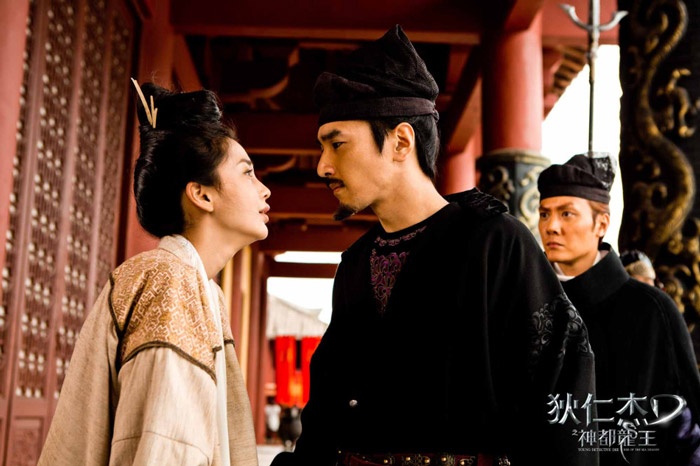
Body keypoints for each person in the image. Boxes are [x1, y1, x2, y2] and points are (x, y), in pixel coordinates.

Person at [272, 25, 597, 466]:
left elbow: (562, 388)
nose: (324, 166)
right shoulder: (356, 262)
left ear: (401, 141)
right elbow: (326, 412)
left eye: (337, 144)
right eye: (322, 147)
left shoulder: (496, 243)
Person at [37, 80, 270, 466]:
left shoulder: (200, 287)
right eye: (247, 173)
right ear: (202, 194)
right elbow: (164, 445)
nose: (264, 190)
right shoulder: (168, 279)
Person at [537, 152, 700, 465]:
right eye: (545, 214)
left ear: (601, 223)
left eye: (567, 213)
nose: (551, 226)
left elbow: (689, 429)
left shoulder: (653, 311)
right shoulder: (531, 304)